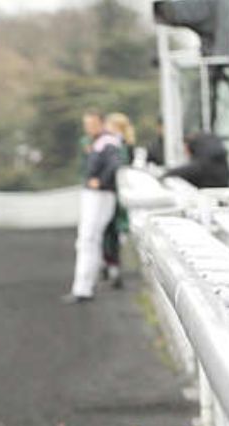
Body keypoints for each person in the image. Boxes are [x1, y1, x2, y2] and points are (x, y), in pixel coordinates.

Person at [65, 110, 122, 304]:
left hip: (100, 195)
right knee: (90, 240)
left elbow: (115, 165)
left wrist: (101, 181)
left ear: (102, 123)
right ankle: (85, 285)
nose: (89, 128)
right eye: (87, 124)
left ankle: (83, 287)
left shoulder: (107, 143)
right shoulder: (97, 142)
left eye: (92, 124)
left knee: (88, 239)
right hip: (96, 195)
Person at [101, 112, 134, 289]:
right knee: (112, 231)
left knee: (111, 231)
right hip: (117, 193)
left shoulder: (117, 146)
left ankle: (113, 266)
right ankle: (112, 266)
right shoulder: (125, 145)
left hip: (114, 193)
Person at [160, 131, 229, 188]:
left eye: (185, 148)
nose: (185, 152)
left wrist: (165, 175)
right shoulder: (216, 159)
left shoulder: (202, 165)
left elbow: (191, 169)